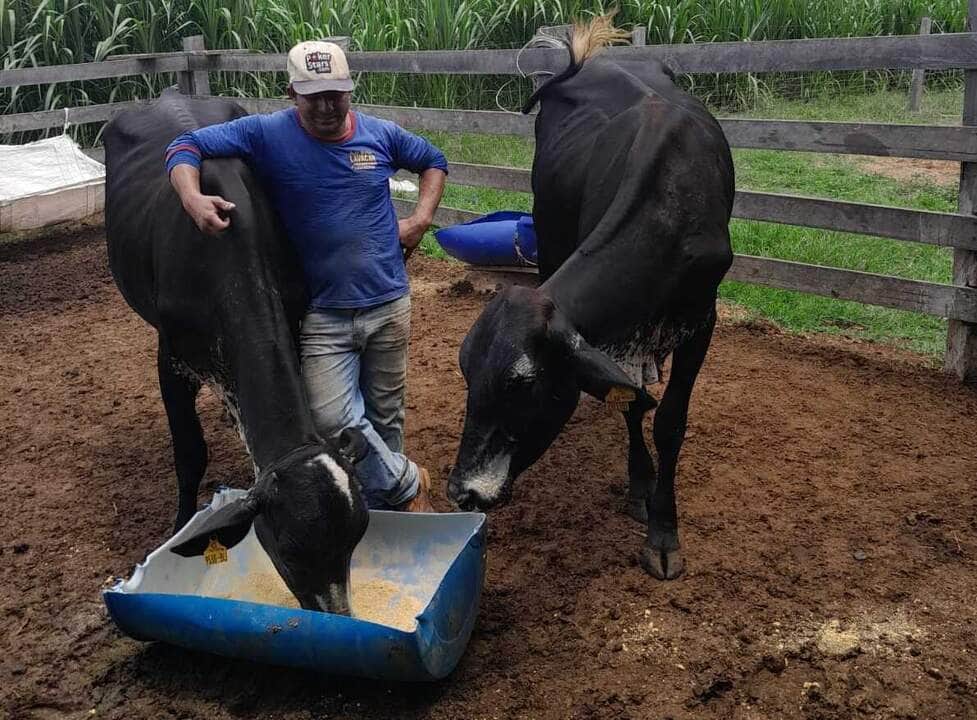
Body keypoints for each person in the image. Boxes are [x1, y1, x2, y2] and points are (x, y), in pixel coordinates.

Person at [164, 40, 447, 512]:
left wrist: (419, 220)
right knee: (332, 417)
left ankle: (384, 511)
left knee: (386, 416)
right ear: (291, 92)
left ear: (350, 90)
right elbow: (185, 145)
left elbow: (433, 161)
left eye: (336, 93)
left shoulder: (379, 134)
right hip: (325, 314)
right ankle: (405, 482)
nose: (326, 106)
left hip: (391, 303)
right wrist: (193, 199)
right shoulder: (265, 134)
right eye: (313, 95)